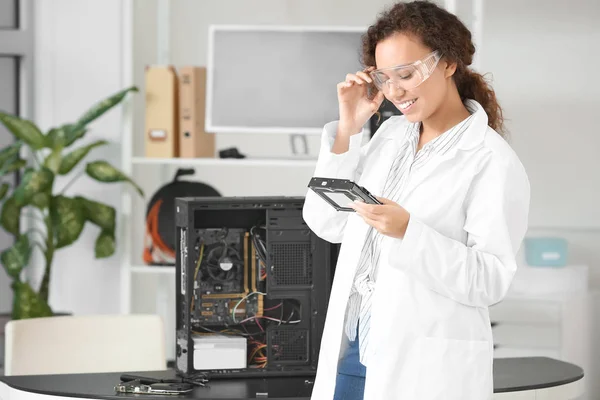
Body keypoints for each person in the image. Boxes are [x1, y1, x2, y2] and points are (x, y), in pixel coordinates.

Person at [302, 1, 531, 399]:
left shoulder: (491, 160)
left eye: (406, 75)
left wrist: (409, 232)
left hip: (423, 370)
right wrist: (347, 130)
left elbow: (490, 279)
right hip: (352, 360)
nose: (394, 92)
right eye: (383, 78)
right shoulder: (389, 137)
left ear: (448, 63)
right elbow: (327, 222)